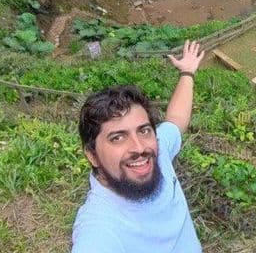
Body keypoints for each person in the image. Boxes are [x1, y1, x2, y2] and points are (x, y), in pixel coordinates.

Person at [71, 40, 206, 253]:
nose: (139, 147)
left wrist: (187, 73)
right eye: (117, 138)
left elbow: (176, 120)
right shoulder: (100, 228)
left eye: (143, 130)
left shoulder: (156, 151)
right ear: (92, 155)